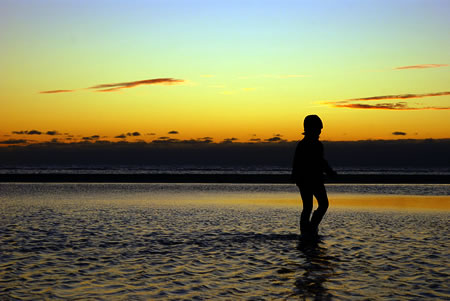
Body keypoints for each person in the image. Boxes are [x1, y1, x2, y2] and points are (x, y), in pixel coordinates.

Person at [292, 115, 336, 238]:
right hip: (311, 180)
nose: (320, 131)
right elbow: (319, 161)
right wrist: (330, 172)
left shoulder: (308, 144)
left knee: (310, 207)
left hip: (308, 179)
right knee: (317, 205)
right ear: (311, 129)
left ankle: (309, 229)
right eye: (318, 128)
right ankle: (309, 229)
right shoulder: (310, 144)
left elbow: (319, 161)